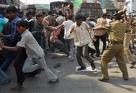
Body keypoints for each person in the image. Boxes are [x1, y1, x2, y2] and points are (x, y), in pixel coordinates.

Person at [0, 20, 59, 90]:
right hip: (31, 55)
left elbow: (17, 49)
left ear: (24, 27)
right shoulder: (24, 33)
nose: (17, 29)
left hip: (38, 55)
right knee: (25, 69)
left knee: (45, 69)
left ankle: (54, 78)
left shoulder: (26, 35)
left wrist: (3, 47)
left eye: (19, 27)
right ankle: (40, 66)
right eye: (17, 27)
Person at [97, 13, 129, 82]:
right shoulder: (123, 25)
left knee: (104, 59)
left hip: (113, 45)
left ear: (114, 19)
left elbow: (101, 27)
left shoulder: (111, 24)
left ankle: (105, 77)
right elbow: (127, 30)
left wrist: (94, 28)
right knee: (121, 60)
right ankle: (125, 75)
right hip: (121, 45)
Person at [0, 6, 21, 71]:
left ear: (14, 13)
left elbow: (13, 37)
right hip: (19, 43)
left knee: (10, 58)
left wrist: (3, 36)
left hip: (17, 44)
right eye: (7, 13)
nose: (7, 15)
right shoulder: (18, 20)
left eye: (9, 13)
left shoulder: (14, 22)